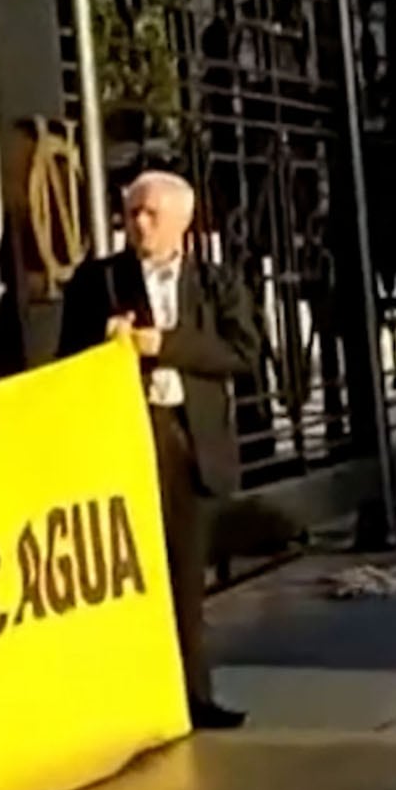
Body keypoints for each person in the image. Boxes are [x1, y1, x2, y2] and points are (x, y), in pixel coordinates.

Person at [57, 170, 257, 731]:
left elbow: (242, 353)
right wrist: (107, 342)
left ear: (181, 222)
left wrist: (165, 346)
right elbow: (66, 360)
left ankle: (194, 695)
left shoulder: (213, 283)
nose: (139, 224)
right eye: (132, 213)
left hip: (187, 438)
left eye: (151, 214)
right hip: (128, 433)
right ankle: (129, 695)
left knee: (185, 572)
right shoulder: (98, 282)